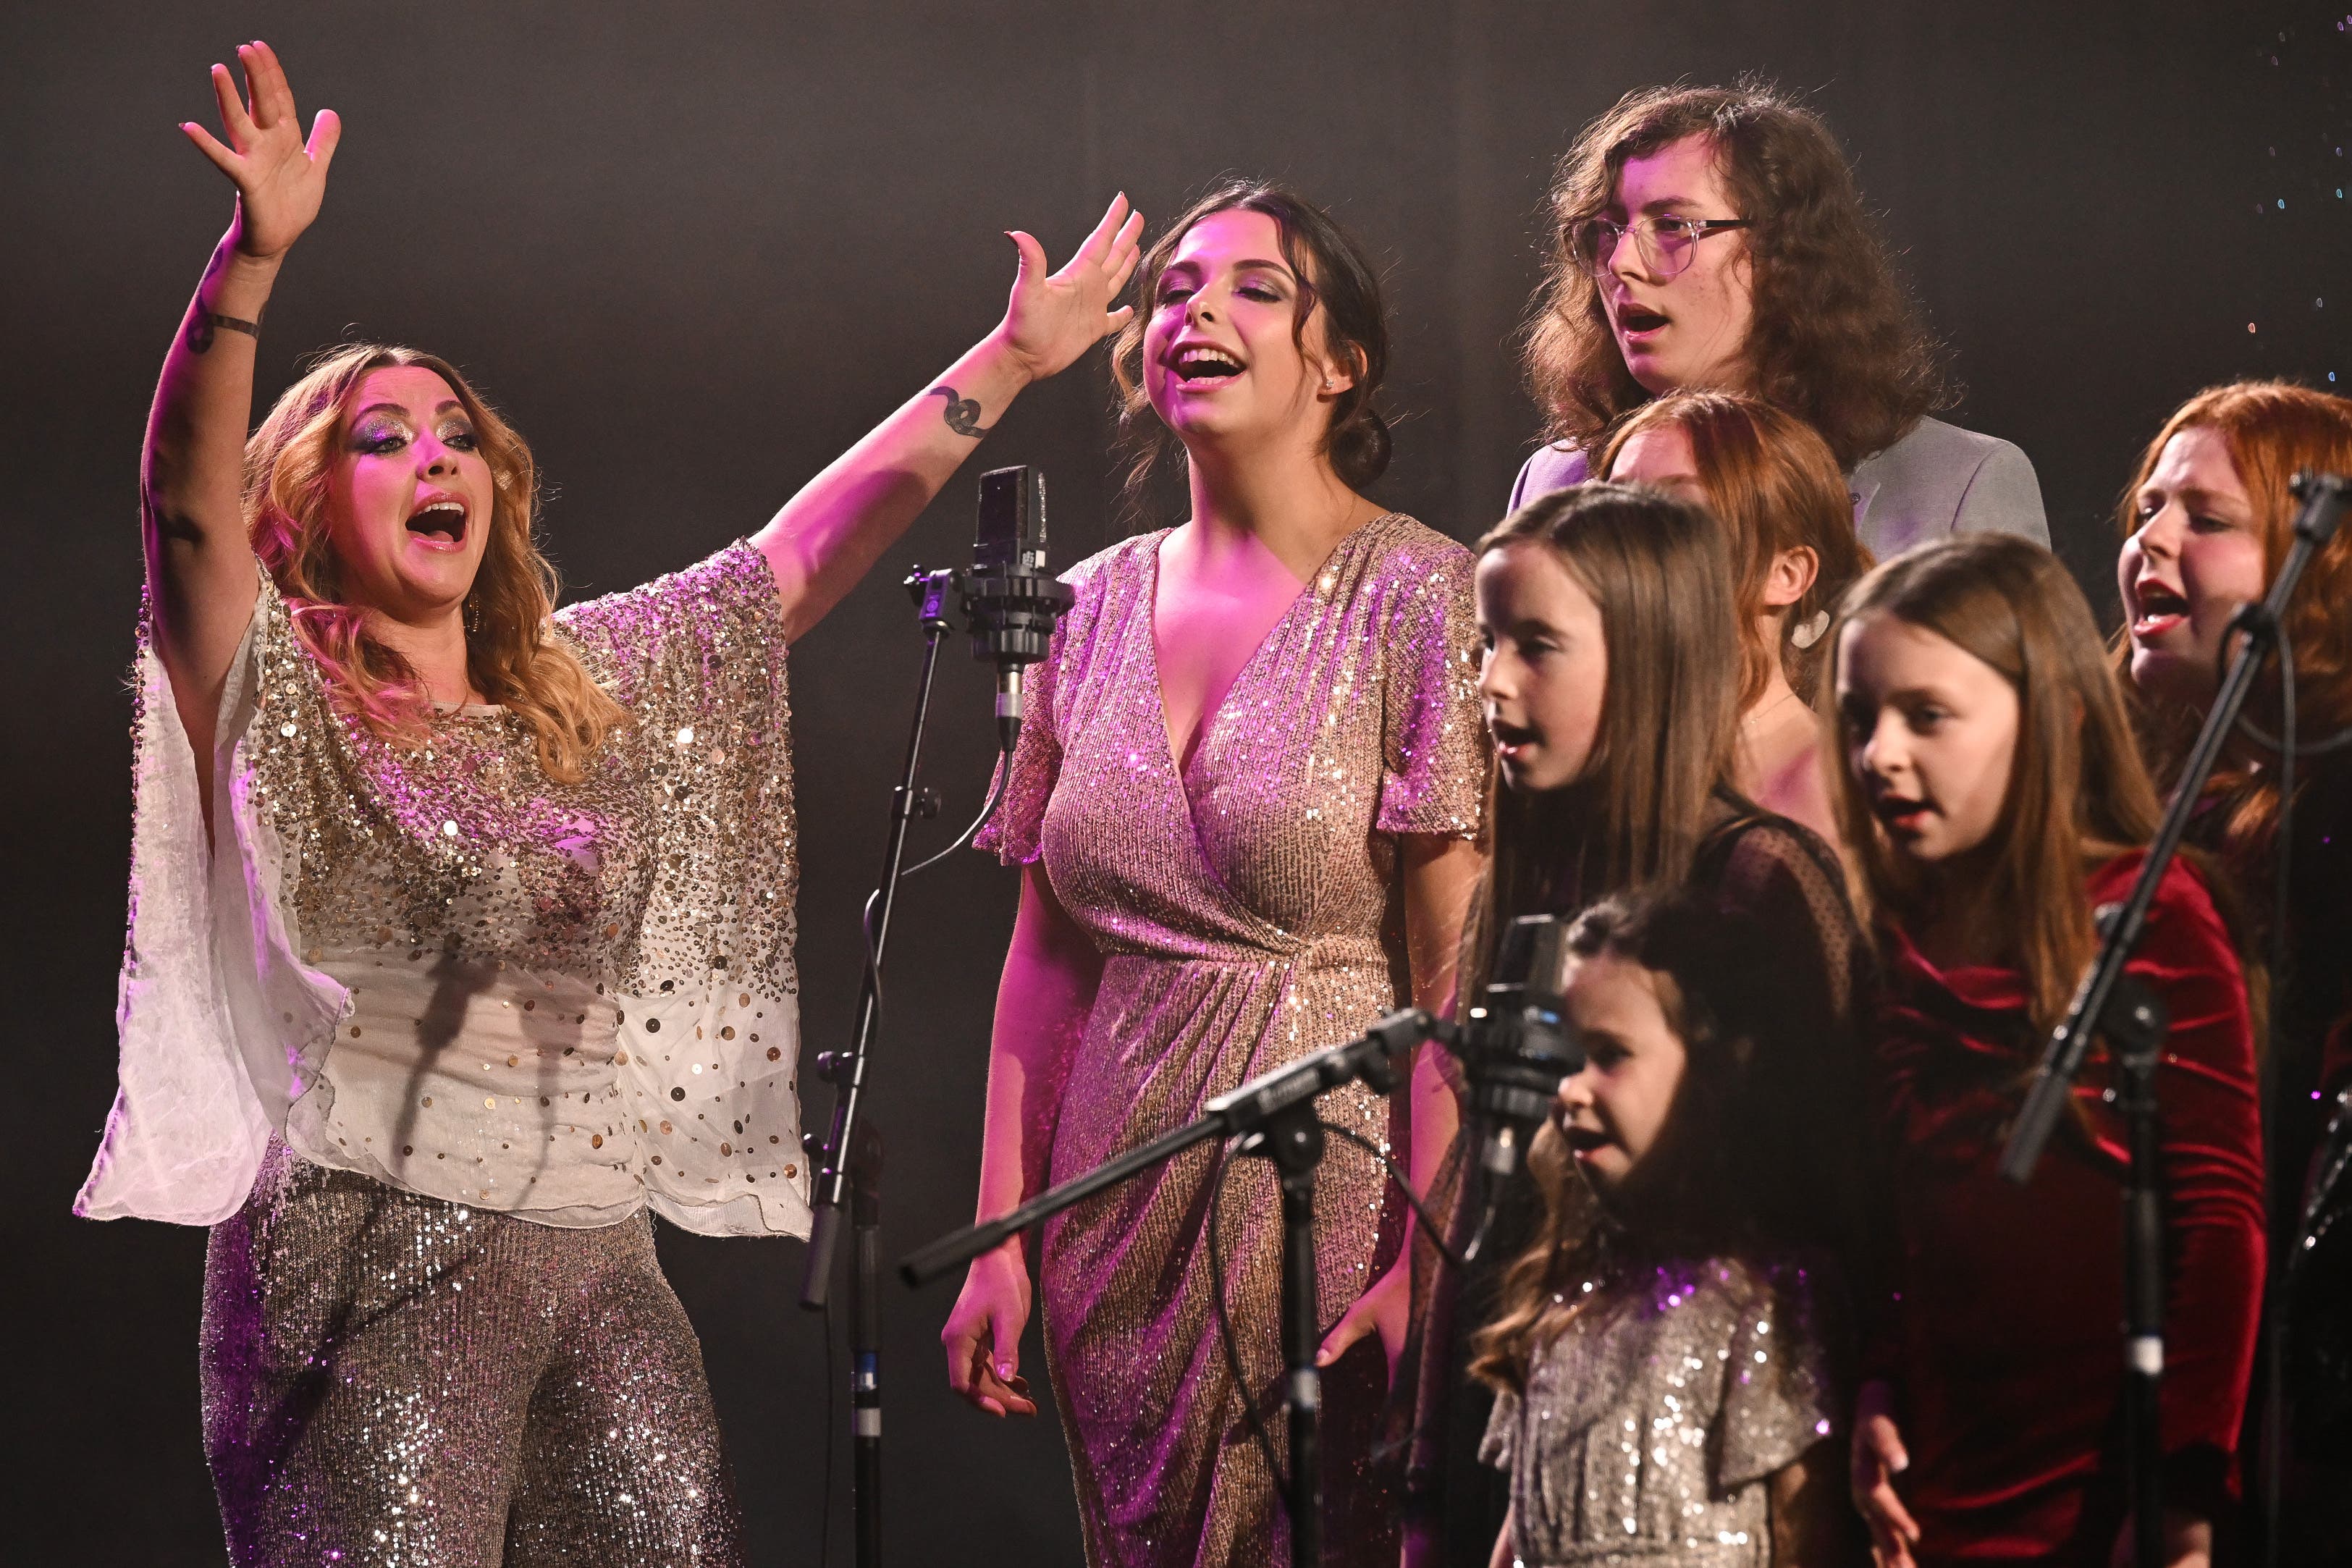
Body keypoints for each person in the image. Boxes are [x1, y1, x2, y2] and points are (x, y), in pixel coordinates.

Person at [74, 42, 1144, 1565]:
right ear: (302, 509)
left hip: (596, 1253)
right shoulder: (275, 692)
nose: (434, 456)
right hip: (365, 1240)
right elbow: (182, 504)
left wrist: (1010, 361)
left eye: (455, 437)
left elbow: (790, 559)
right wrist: (250, 264)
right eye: (382, 439)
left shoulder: (582, 682)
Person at [937, 180, 1489, 1567]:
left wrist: (1427, 1253)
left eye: (1254, 287)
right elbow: (1044, 958)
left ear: (1337, 358)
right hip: (1109, 1203)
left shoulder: (1423, 594)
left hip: (1327, 1194)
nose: (1199, 313)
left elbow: (1450, 975)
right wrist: (1001, 1232)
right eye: (1176, 289)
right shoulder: (1084, 605)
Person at [1406, 483, 1871, 1567]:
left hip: (1708, 1484)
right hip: (1526, 1448)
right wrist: (1424, 1482)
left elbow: (1833, 1214)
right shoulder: (1518, 896)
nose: (1491, 680)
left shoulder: (1757, 881)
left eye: (1537, 646)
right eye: (1485, 643)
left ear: (1651, 657)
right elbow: (1486, 1195)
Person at [1832, 535, 2265, 1568]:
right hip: (1947, 1478)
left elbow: (2219, 1218)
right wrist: (1881, 1385)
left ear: (2056, 717)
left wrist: (2181, 1492)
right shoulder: (1897, 934)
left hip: (2102, 1489)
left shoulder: (2146, 914)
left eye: (1926, 716)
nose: (1879, 754)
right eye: (1860, 719)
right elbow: (1908, 1218)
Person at [2114, 380, 2352, 1564]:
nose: (2149, 540)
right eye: (2145, 507)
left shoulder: (2328, 819)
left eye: (2203, 518)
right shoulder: (2123, 802)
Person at [1469, 887, 1858, 1568]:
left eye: (1610, 1054)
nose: (1569, 1090)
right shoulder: (1560, 1304)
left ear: (1712, 1074)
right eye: (1565, 1058)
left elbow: (1807, 1539)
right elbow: (1520, 1539)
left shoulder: (1765, 1302)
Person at [1509, 83, 2047, 557]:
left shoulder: (1958, 484)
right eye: (1605, 230)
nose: (1621, 263)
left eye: (1672, 225)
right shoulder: (1554, 482)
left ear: (1781, 254)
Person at [1598, 389, 1872, 844]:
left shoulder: (1848, 794)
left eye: (1669, 512)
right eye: (1608, 508)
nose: (1620, 540)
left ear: (1786, 574)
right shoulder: (1589, 776)